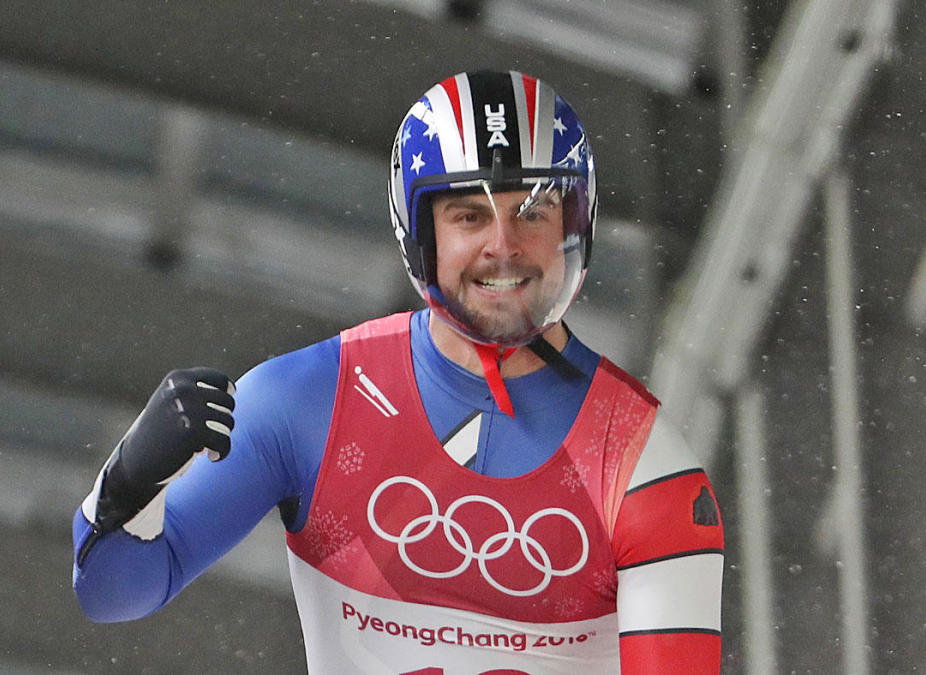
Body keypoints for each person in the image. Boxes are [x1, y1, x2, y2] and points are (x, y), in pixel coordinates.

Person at [72, 70, 724, 674]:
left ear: (576, 226)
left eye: (532, 211)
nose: (503, 243)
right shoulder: (308, 402)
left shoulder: (646, 466)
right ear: (419, 233)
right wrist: (131, 480)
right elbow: (115, 590)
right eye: (468, 214)